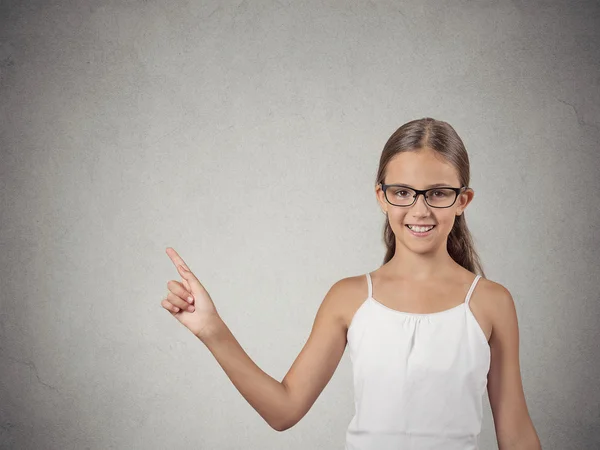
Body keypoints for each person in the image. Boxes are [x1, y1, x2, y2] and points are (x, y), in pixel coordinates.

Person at [160, 117, 542, 449]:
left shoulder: (491, 302)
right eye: (403, 192)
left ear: (463, 200)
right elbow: (284, 410)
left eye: (438, 193)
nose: (420, 210)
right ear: (382, 196)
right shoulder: (349, 298)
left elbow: (517, 436)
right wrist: (212, 330)